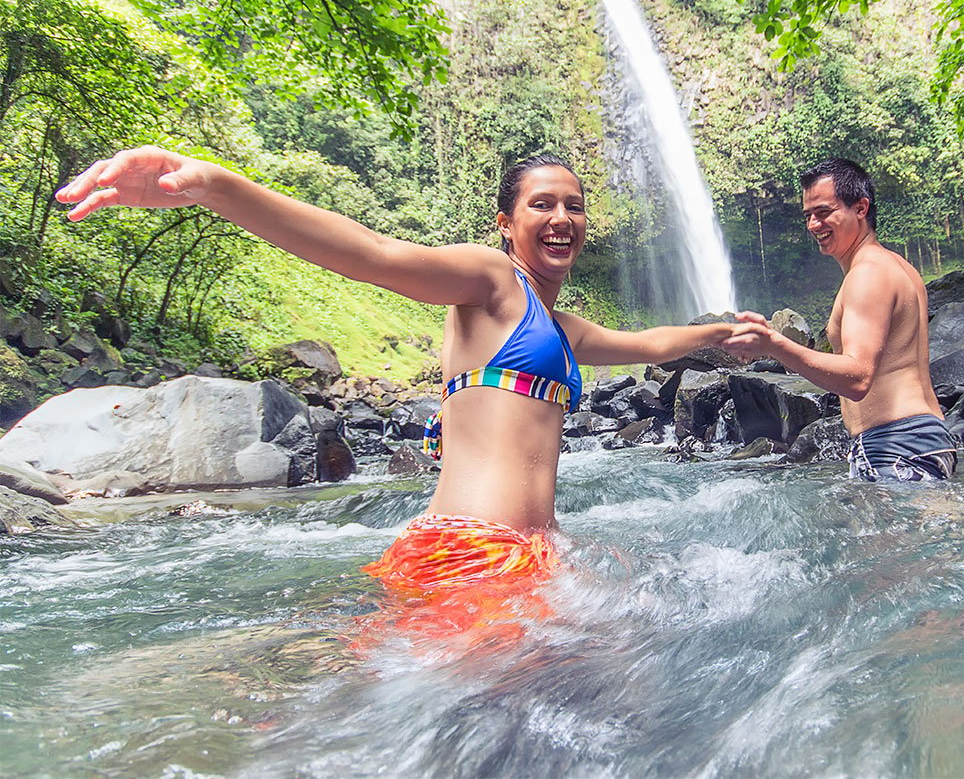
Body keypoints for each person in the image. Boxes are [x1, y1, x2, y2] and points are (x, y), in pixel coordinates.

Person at [57, 147, 750, 595]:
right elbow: (376, 254)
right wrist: (213, 185)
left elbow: (649, 342)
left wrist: (724, 333)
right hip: (472, 553)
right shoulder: (490, 280)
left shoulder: (560, 329)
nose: (562, 216)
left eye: (574, 204)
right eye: (543, 203)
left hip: (524, 554)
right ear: (506, 222)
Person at [721, 158, 957, 482]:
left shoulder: (867, 275)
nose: (813, 225)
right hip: (921, 437)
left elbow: (858, 378)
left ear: (860, 208)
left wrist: (774, 345)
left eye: (823, 212)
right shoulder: (898, 267)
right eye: (808, 216)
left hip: (895, 443)